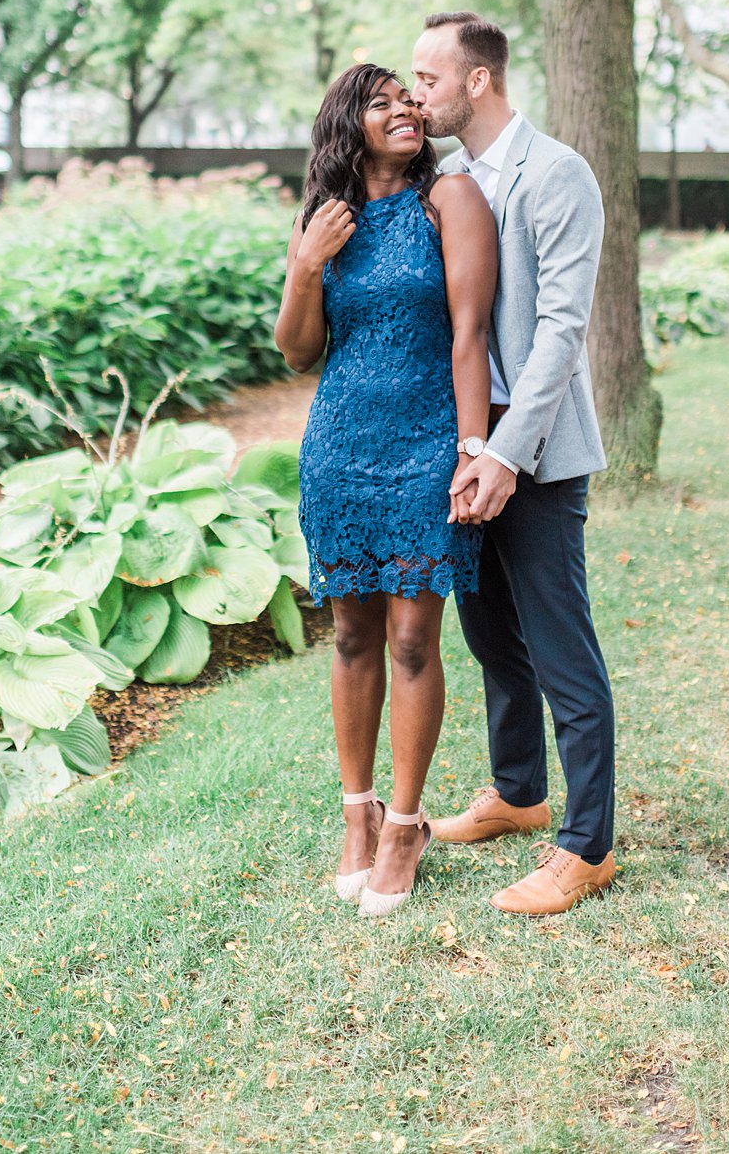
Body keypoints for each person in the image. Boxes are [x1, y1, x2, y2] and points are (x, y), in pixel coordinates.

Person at [274, 63, 497, 918]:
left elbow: (470, 333)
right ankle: (356, 816)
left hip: (426, 442)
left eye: (411, 97)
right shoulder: (324, 220)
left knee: (411, 636)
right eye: (384, 101)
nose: (406, 107)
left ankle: (406, 824)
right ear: (347, 123)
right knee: (350, 633)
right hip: (339, 444)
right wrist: (306, 266)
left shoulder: (451, 202)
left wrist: (472, 450)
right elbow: (297, 352)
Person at [410, 12, 616, 916]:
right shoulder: (449, 181)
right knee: (490, 633)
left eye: (428, 79)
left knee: (561, 646)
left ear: (478, 80)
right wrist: (465, 442)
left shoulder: (558, 174)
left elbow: (563, 332)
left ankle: (588, 845)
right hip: (465, 438)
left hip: (535, 449)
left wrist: (506, 450)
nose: (418, 96)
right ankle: (520, 793)